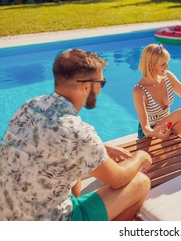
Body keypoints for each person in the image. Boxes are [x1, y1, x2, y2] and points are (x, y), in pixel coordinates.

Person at [0, 49, 152, 221]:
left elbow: (54, 144)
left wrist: (100, 149)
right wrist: (140, 156)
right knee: (141, 182)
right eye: (101, 83)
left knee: (72, 162)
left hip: (7, 214)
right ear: (86, 86)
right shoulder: (79, 133)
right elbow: (118, 179)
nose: (101, 89)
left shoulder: (30, 106)